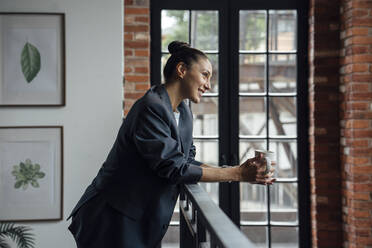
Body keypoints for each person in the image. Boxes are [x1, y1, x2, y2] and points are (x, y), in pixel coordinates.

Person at [67, 41, 275, 248]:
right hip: (111, 217)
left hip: (140, 219)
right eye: (205, 74)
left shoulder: (184, 111)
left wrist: (238, 170)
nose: (209, 85)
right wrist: (238, 174)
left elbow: (186, 160)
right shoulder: (151, 107)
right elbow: (174, 168)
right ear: (182, 70)